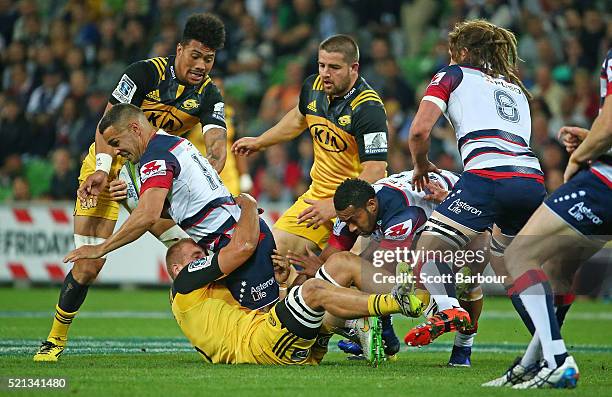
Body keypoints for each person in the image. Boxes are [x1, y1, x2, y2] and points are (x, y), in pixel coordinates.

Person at [34, 13, 228, 360]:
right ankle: (54, 340)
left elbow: (216, 138)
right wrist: (105, 169)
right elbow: (108, 124)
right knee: (88, 266)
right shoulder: (143, 73)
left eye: (209, 58)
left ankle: (215, 334)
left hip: (154, 174)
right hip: (110, 163)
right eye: (196, 55)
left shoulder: (209, 93)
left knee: (190, 253)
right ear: (180, 49)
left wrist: (213, 160)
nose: (202, 65)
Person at [404, 20, 546, 350]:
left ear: (463, 52)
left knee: (428, 249)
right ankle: (548, 345)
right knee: (514, 270)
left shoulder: (452, 75)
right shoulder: (516, 89)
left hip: (486, 177)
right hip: (530, 180)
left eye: (453, 53)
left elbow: (418, 132)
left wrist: (421, 164)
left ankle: (449, 310)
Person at [482, 48, 612, 389]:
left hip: (605, 183)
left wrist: (581, 156)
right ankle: (533, 362)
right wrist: (595, 141)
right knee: (558, 270)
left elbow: (610, 123)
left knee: (519, 253)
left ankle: (556, 360)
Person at [165, 193, 420, 366]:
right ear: (177, 268)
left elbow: (265, 311)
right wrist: (249, 206)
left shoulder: (215, 291)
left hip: (273, 339)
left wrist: (284, 284)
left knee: (340, 264)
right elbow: (241, 246)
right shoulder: (184, 284)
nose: (205, 256)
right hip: (259, 347)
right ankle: (391, 304)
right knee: (312, 290)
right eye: (196, 255)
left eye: (203, 252)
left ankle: (421, 298)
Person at [287, 171, 489, 366]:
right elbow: (332, 263)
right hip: (423, 227)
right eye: (345, 221)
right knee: (367, 269)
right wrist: (313, 275)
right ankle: (384, 333)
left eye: (354, 220)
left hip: (467, 211)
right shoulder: (353, 211)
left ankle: (462, 348)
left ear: (372, 205)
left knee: (463, 279)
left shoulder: (401, 213)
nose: (351, 228)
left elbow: (380, 272)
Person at [232, 34, 388, 257]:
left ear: (354, 68)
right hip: (316, 198)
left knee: (345, 274)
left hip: (359, 207)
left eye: (334, 67)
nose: (325, 73)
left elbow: (375, 170)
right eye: (322, 65)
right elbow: (297, 119)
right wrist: (260, 141)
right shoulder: (312, 87)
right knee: (270, 255)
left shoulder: (368, 108)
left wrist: (336, 206)